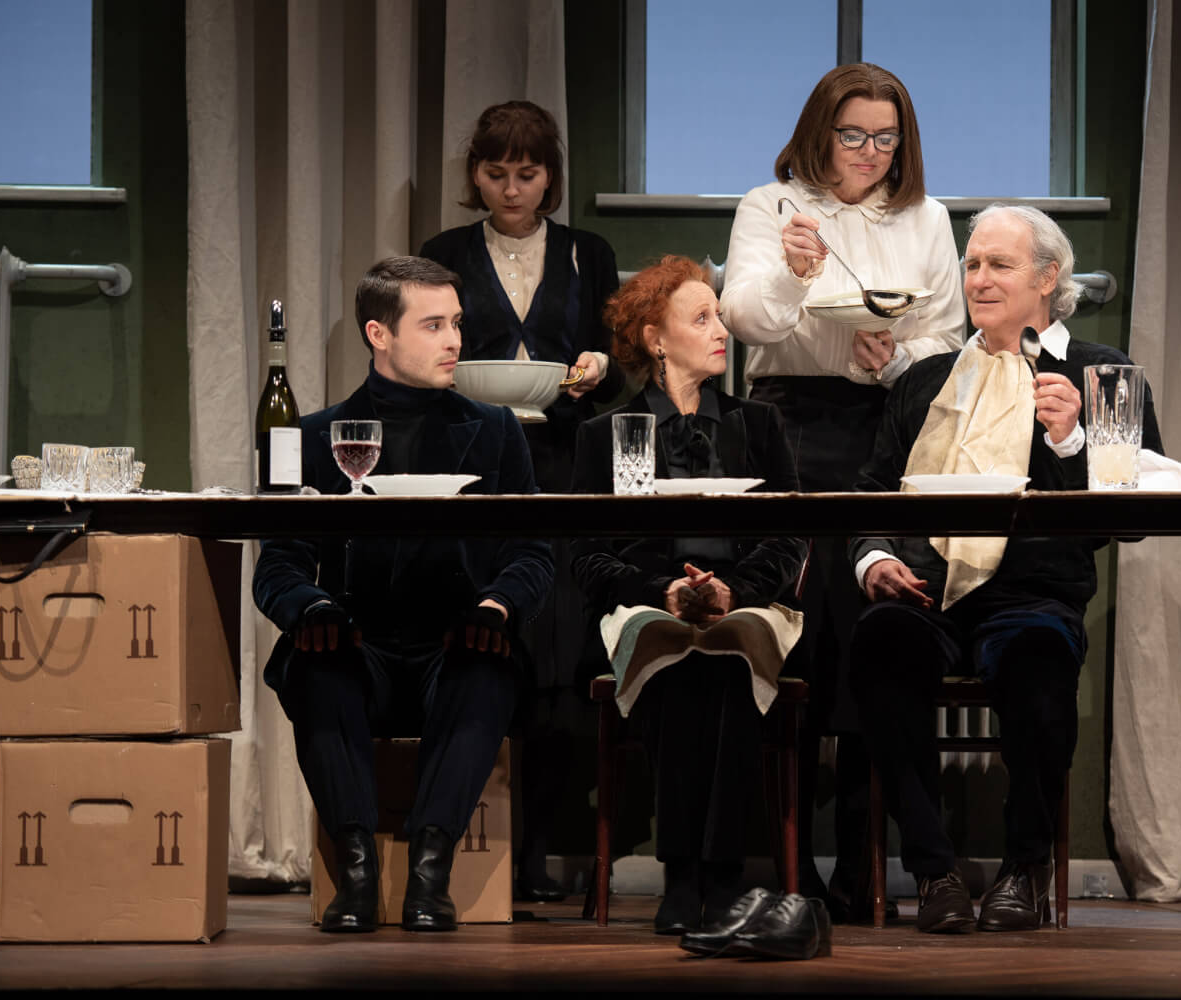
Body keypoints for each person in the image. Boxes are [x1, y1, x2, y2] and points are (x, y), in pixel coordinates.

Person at [847, 205, 1162, 933]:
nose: (979, 279)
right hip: (925, 589)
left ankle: (1025, 869)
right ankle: (933, 873)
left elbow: (1134, 515)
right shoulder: (924, 380)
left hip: (1034, 592)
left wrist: (1070, 438)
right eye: (973, 263)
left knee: (1039, 663)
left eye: (999, 265)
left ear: (1049, 278)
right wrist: (875, 557)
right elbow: (871, 494)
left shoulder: (1102, 373)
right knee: (880, 644)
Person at [718, 62, 966, 918]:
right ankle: (788, 867)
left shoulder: (927, 217)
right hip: (787, 429)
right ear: (820, 131)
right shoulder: (771, 204)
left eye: (886, 137)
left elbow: (946, 336)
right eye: (853, 134)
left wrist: (894, 356)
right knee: (794, 645)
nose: (869, 152)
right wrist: (792, 274)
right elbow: (746, 320)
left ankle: (867, 867)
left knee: (873, 642)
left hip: (887, 429)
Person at [253, 256, 553, 933]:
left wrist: (497, 606)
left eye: (456, 324)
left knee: (488, 664)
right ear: (378, 334)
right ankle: (356, 872)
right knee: (315, 663)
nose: (454, 341)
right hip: (359, 645)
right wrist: (314, 609)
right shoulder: (312, 436)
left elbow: (533, 551)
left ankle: (429, 871)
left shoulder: (497, 430)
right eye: (433, 325)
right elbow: (277, 565)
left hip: (456, 642)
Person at [419, 100, 621, 902]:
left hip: (565, 464)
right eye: (496, 173)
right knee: (486, 644)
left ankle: (538, 848)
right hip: (478, 464)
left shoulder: (586, 254)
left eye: (527, 173)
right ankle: (484, 851)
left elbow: (623, 355)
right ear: (475, 175)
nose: (512, 189)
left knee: (560, 660)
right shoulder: (442, 253)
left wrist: (602, 365)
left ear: (551, 178)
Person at [571, 256, 807, 934]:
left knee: (727, 656)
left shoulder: (758, 426)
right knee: (679, 657)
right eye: (700, 318)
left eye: (719, 316)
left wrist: (737, 590)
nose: (720, 331)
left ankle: (725, 874)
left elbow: (791, 538)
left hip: (746, 601)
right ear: (654, 338)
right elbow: (588, 555)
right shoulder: (603, 435)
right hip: (650, 602)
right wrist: (664, 591)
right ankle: (683, 873)